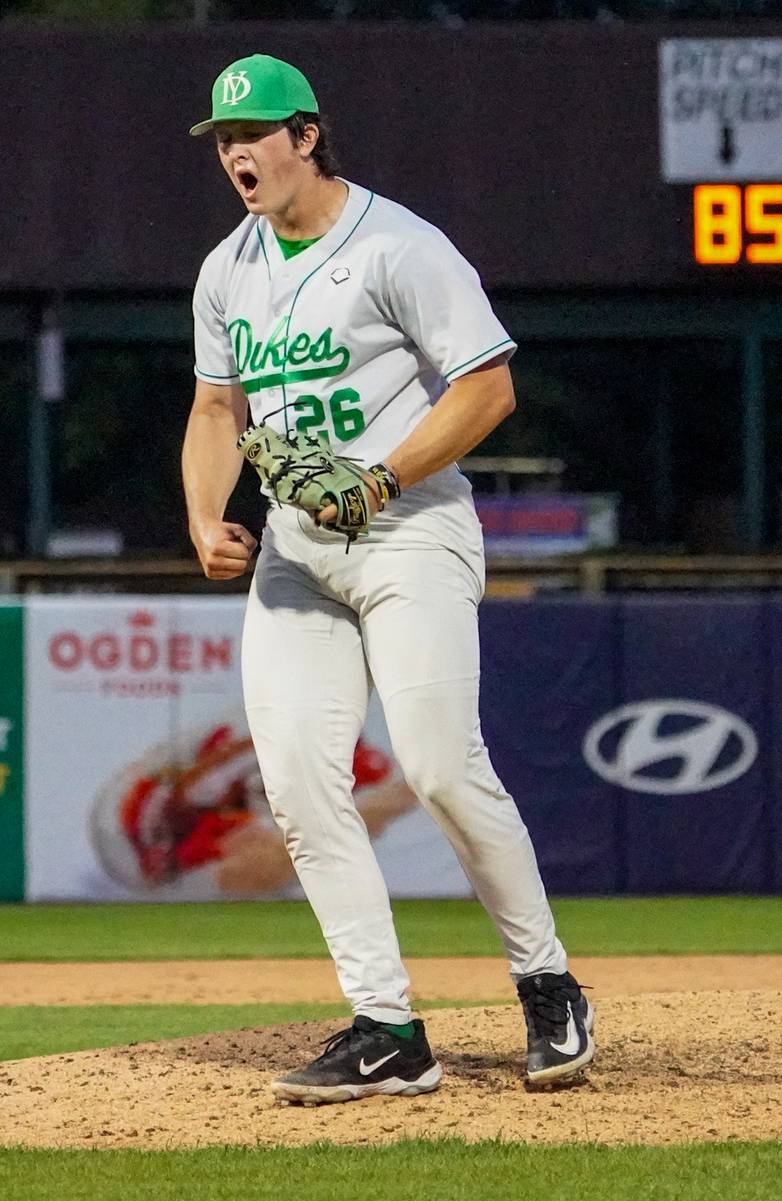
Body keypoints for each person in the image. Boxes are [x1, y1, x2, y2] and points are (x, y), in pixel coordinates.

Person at [182, 53, 595, 1106]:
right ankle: (386, 1028)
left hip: (409, 530)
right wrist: (201, 515)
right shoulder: (227, 269)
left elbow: (487, 387)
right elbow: (215, 412)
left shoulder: (399, 245)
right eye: (225, 138)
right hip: (295, 549)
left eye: (257, 132)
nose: (238, 152)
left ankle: (546, 982)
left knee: (438, 765)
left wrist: (379, 475)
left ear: (306, 136)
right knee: (299, 787)